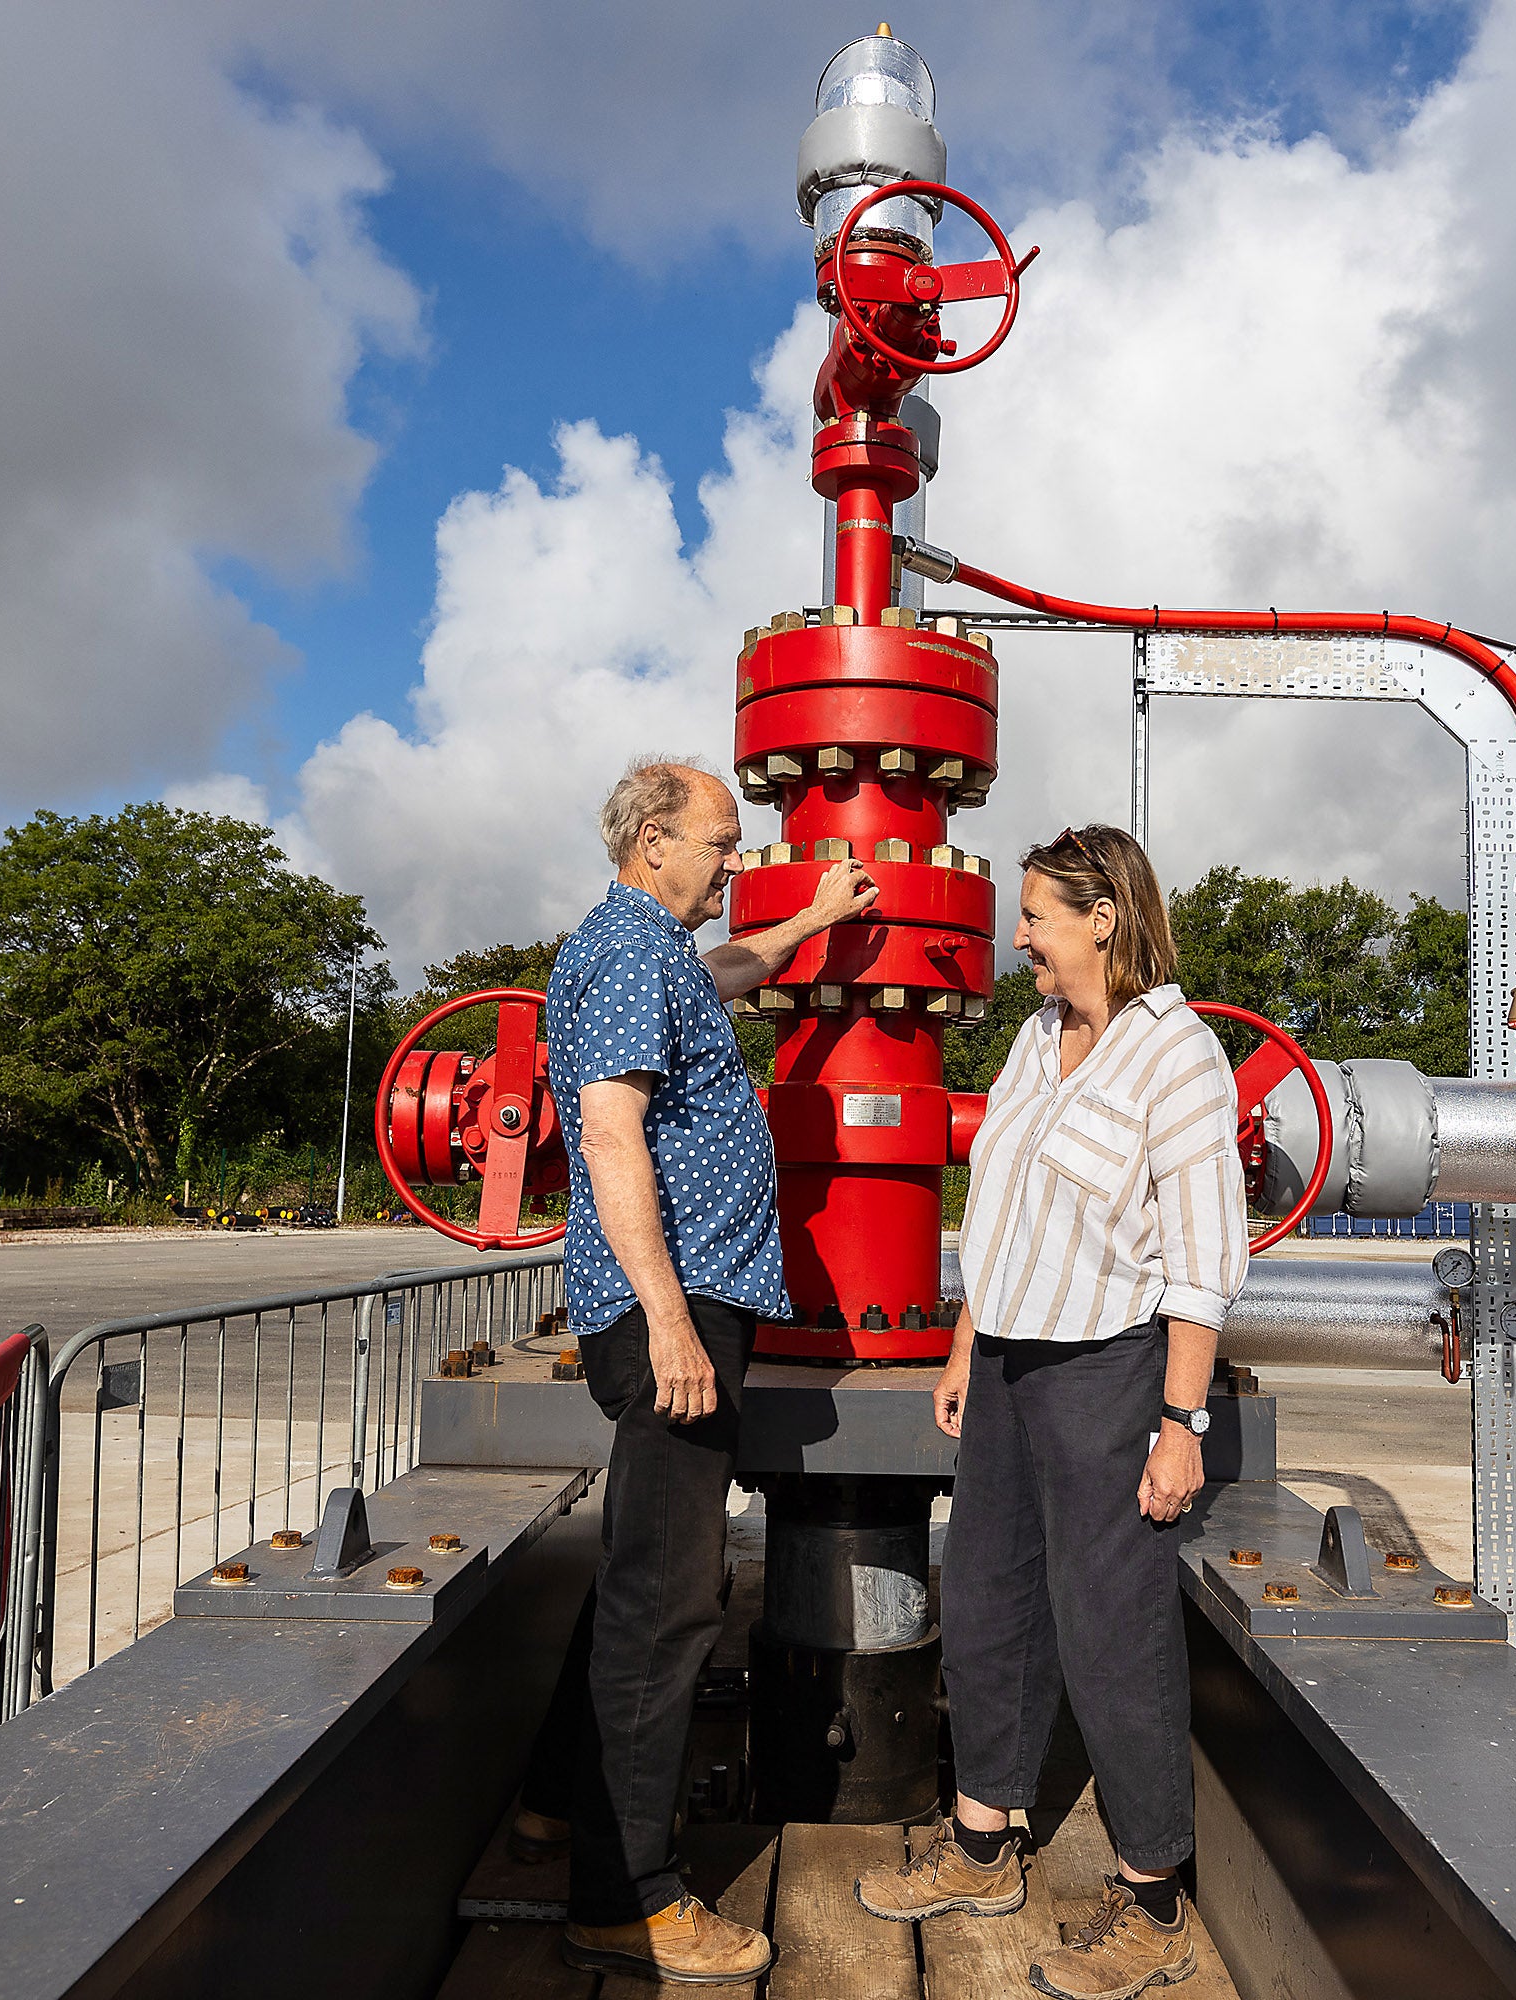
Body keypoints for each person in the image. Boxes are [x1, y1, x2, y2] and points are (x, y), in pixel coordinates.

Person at [855, 823, 1249, 2000]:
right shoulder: (1037, 1038)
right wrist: (970, 1337)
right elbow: (1004, 1206)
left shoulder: (1179, 1057)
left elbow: (1201, 1259)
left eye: (1034, 913)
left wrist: (1182, 1424)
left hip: (1107, 1370)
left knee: (1111, 1625)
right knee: (986, 1597)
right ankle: (981, 1845)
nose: (1014, 934)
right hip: (1012, 1361)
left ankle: (1151, 1899)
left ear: (1103, 917)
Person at [516, 754, 876, 1986]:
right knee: (670, 1599)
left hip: (684, 1303)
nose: (736, 859)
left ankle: (560, 1802)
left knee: (640, 1569)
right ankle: (627, 1898)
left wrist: (813, 924)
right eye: (722, 841)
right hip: (676, 1312)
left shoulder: (655, 953)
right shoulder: (626, 956)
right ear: (654, 839)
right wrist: (669, 1318)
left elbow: (725, 975)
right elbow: (612, 1129)